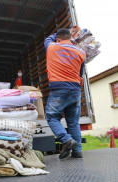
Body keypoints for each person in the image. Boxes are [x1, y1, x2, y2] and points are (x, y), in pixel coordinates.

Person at [44, 28, 85, 159]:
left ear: (58, 39)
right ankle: (77, 151)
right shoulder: (81, 52)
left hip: (59, 89)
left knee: (51, 117)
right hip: (75, 90)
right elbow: (80, 73)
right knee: (73, 122)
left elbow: (49, 38)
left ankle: (66, 139)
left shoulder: (52, 46)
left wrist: (59, 33)